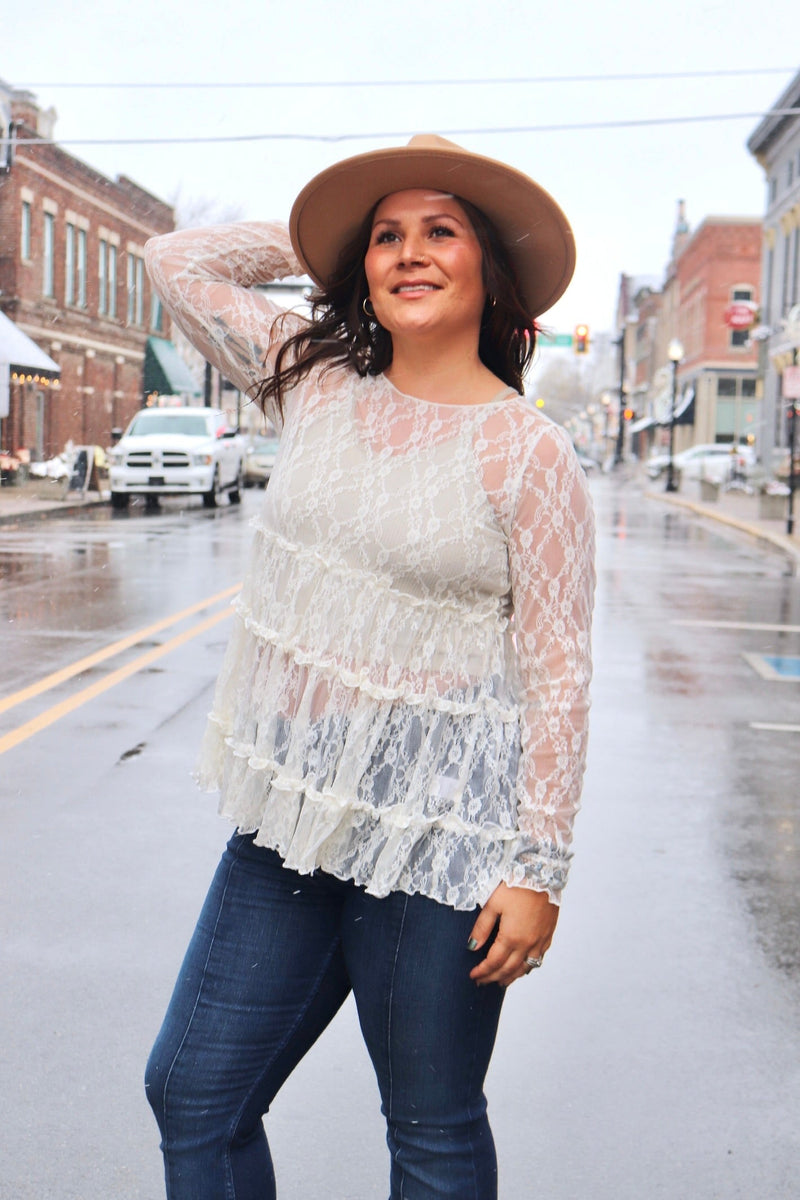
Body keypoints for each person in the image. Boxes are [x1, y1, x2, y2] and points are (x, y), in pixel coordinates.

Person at [143, 134, 595, 1200]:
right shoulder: (313, 381)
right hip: (291, 812)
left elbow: (557, 673)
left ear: (492, 275)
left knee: (430, 1132)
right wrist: (322, 235)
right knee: (192, 1094)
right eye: (386, 237)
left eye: (441, 231)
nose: (409, 252)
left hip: (442, 829)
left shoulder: (526, 453)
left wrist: (537, 870)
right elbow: (176, 263)